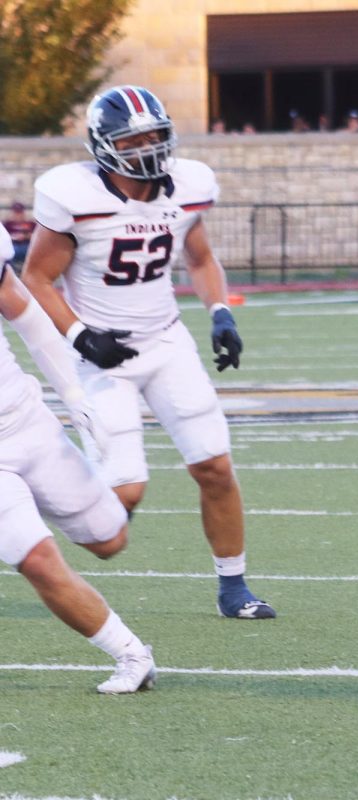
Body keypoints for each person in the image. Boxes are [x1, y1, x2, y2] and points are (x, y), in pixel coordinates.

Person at [21, 85, 276, 621]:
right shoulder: (75, 195)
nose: (147, 148)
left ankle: (234, 588)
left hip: (166, 342)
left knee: (214, 466)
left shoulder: (188, 185)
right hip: (100, 356)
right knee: (124, 501)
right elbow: (37, 278)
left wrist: (219, 313)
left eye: (155, 135)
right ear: (104, 144)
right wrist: (79, 336)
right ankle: (27, 518)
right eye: (133, 139)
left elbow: (201, 259)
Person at [0, 225, 156, 693]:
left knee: (109, 540)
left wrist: (71, 391)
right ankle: (132, 655)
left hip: (26, 420)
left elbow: (24, 312)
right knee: (38, 560)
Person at [2, 201, 34, 266]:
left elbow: (37, 237)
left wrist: (26, 236)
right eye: (16, 213)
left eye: (20, 213)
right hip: (13, 245)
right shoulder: (7, 224)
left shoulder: (31, 224)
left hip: (27, 245)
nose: (18, 215)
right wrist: (13, 237)